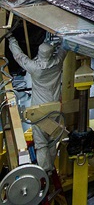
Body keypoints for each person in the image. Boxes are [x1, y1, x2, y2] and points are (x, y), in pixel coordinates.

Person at [10, 37, 64, 171]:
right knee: (52, 140)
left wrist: (11, 40)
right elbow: (65, 48)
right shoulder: (57, 63)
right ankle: (51, 167)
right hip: (55, 107)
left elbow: (19, 56)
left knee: (41, 144)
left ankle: (45, 172)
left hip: (40, 110)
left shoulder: (35, 68)